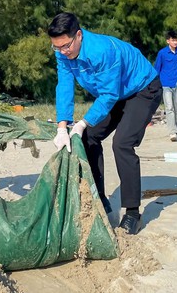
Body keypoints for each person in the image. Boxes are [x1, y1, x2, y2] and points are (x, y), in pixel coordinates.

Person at [48, 12, 161, 235]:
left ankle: (132, 213)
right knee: (87, 137)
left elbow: (109, 95)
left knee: (122, 143)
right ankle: (99, 200)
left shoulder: (102, 51)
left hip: (142, 89)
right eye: (57, 47)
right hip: (115, 93)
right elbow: (64, 86)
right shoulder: (62, 52)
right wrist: (63, 126)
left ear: (78, 35)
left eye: (66, 46)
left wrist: (82, 122)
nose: (63, 52)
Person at [154, 30, 177, 142]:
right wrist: (156, 83)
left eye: (176, 40)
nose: (175, 42)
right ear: (168, 41)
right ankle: (172, 133)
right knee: (169, 108)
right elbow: (157, 68)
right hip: (166, 83)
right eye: (173, 40)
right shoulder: (162, 53)